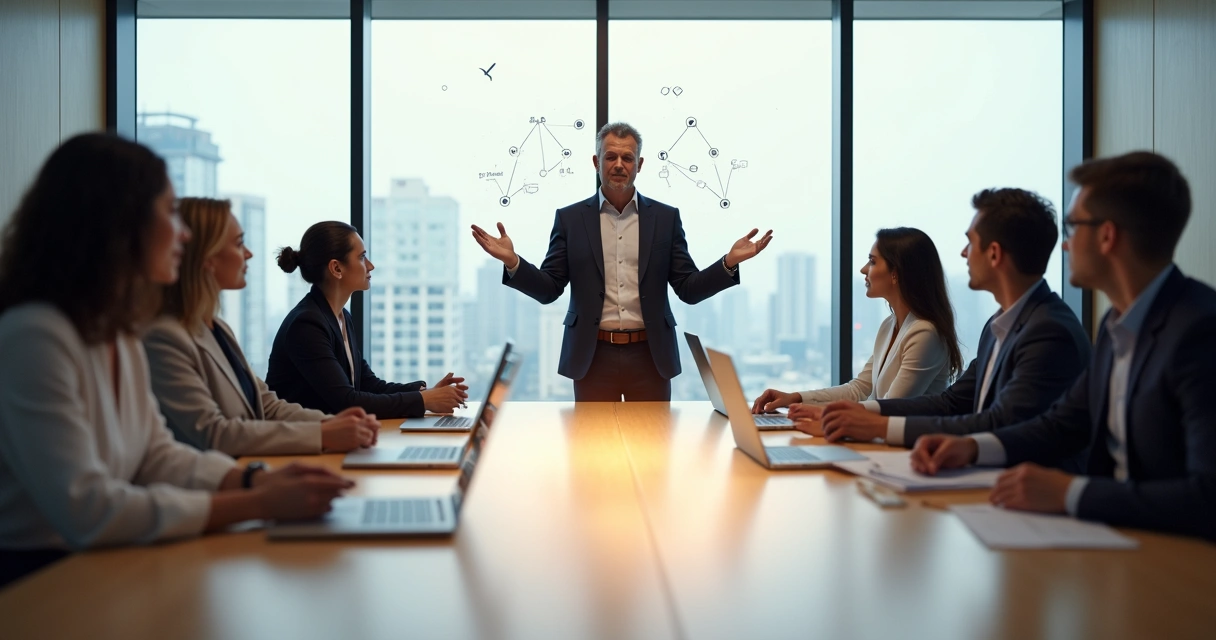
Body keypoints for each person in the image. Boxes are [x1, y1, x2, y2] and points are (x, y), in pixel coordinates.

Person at [0, 134, 351, 588]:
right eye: (168, 212)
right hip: (43, 579)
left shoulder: (116, 330)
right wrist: (258, 501)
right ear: (117, 224)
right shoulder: (36, 335)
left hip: (104, 561)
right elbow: (87, 509)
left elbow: (156, 455)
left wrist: (255, 481)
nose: (182, 232)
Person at [912, 151, 1216, 541]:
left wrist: (1071, 492)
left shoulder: (1198, 330)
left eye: (1073, 228)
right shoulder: (1116, 325)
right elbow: (1061, 424)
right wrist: (970, 447)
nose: (1065, 246)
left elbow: (1208, 497)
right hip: (1116, 541)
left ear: (1107, 236)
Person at [470, 122, 773, 401]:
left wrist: (729, 262)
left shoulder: (666, 219)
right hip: (592, 357)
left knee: (653, 448)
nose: (618, 165)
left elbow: (688, 289)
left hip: (651, 357)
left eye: (627, 158)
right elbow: (549, 288)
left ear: (639, 165)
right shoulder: (570, 219)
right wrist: (513, 262)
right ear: (596, 162)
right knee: (592, 449)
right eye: (610, 156)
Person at [808, 189, 1091, 446]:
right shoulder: (999, 327)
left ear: (993, 254)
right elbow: (951, 403)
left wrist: (876, 425)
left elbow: (1000, 423)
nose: (963, 253)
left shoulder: (1049, 331)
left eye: (970, 243)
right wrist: (856, 414)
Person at [144, 198, 380, 456]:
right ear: (206, 256)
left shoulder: (218, 328)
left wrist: (336, 425)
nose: (248, 253)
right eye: (238, 243)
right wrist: (324, 433)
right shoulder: (165, 337)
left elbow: (266, 405)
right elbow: (213, 432)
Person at [752, 228, 963, 428]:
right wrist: (794, 398)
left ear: (895, 273)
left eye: (872, 262)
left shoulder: (924, 333)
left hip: (909, 450)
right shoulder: (890, 325)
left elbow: (892, 406)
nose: (864, 269)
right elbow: (859, 389)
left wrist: (823, 414)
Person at [266, 221, 468, 418]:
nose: (370, 266)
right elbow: (347, 402)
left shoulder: (341, 317)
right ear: (336, 268)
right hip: (298, 444)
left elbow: (368, 384)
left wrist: (426, 393)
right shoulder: (307, 325)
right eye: (362, 257)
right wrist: (424, 400)